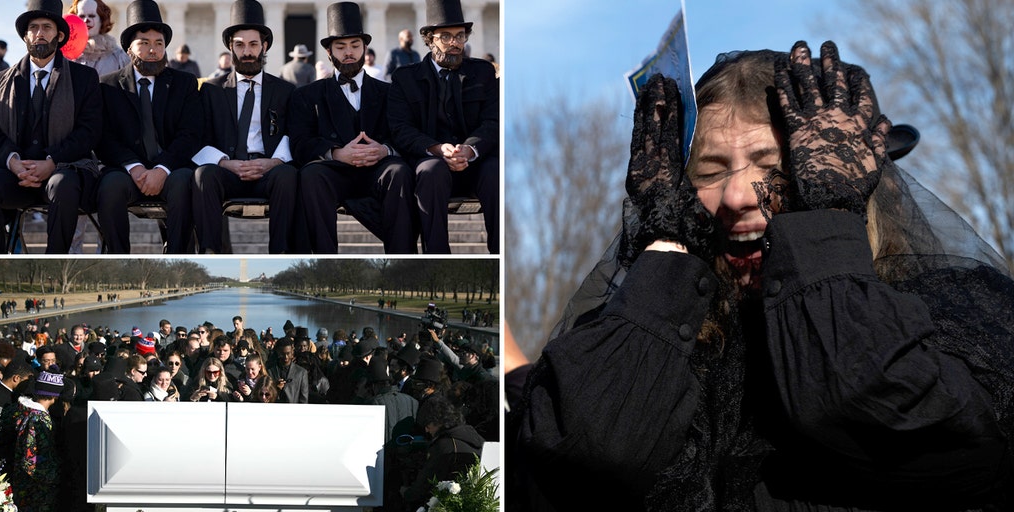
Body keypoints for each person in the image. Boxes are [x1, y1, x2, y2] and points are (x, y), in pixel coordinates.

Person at [510, 42, 1014, 511]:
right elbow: (586, 452)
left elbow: (871, 406)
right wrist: (666, 244)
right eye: (709, 171)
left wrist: (823, 219)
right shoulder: (651, 337)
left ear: (841, 175)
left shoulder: (954, 317)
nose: (735, 196)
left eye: (772, 165)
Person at [288, 2, 418, 254]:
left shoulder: (389, 92)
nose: (349, 52)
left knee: (399, 172)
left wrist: (384, 150)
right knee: (311, 175)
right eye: (340, 47)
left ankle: (403, 256)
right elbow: (300, 142)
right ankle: (324, 261)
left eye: (355, 45)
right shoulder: (307, 95)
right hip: (334, 172)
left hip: (379, 170)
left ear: (365, 48)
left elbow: (404, 133)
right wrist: (336, 153)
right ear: (328, 52)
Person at [0, 0, 103, 254]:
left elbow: (89, 131)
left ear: (60, 35)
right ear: (25, 36)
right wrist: (13, 161)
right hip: (16, 174)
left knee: (63, 185)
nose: (39, 33)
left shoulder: (84, 78)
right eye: (33, 27)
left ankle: (56, 261)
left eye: (47, 27)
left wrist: (52, 162)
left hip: (63, 170)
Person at [387, 0, 499, 254]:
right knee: (431, 171)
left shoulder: (482, 72)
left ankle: (501, 255)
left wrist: (469, 150)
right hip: (431, 162)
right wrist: (437, 148)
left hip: (476, 163)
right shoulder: (405, 78)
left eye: (460, 35)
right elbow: (400, 128)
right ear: (430, 40)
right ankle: (437, 256)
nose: (455, 43)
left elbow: (493, 121)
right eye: (446, 36)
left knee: (496, 171)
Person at [192, 0, 299, 255]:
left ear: (264, 46)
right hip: (227, 170)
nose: (247, 52)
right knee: (203, 175)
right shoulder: (211, 90)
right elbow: (197, 136)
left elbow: (294, 133)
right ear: (231, 47)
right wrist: (225, 163)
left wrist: (273, 162)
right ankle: (210, 252)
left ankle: (282, 253)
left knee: (288, 176)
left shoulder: (285, 90)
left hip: (269, 171)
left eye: (253, 44)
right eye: (239, 45)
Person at [95, 0, 201, 254]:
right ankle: (118, 257)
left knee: (184, 183)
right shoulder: (107, 85)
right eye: (144, 43)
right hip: (128, 170)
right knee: (110, 186)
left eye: (159, 43)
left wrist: (162, 169)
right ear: (129, 49)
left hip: (172, 169)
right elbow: (104, 137)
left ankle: (177, 255)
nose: (153, 50)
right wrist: (134, 167)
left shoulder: (185, 83)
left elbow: (191, 133)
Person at [400, 393, 484, 509]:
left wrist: (406, 493)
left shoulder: (444, 445)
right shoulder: (474, 437)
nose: (426, 430)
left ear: (438, 421)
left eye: (428, 424)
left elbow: (425, 483)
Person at [6, 370, 66, 511]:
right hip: (36, 491)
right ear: (55, 396)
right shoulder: (39, 419)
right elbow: (30, 460)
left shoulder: (24, 411)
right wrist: (54, 476)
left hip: (24, 487)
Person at [69, 0, 129, 76]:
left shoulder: (118, 56)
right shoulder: (66, 55)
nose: (86, 20)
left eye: (91, 16)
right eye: (82, 16)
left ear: (102, 19)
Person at [267, 337, 308, 403]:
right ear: (278, 352)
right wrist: (275, 388)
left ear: (292, 352)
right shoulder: (269, 370)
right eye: (283, 354)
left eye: (288, 353)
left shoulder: (302, 373)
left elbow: (304, 399)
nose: (286, 357)